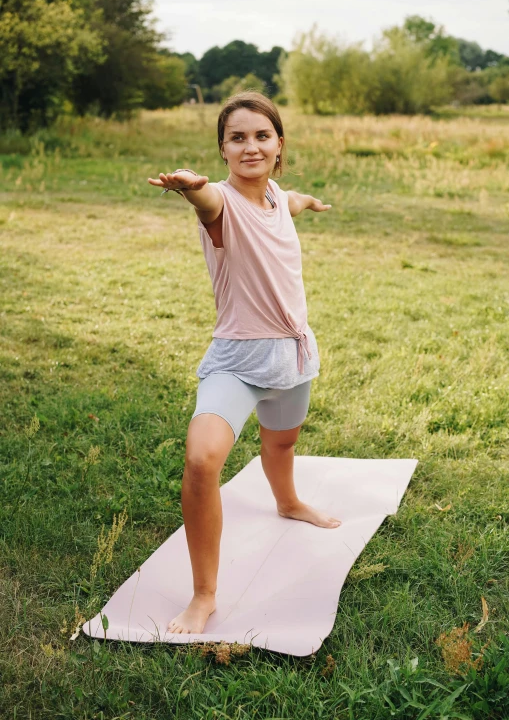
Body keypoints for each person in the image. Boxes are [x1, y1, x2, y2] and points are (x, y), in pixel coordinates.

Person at [148, 91, 341, 635]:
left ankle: (288, 501)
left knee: (281, 444)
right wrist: (191, 187)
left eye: (262, 135)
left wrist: (311, 202)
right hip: (237, 361)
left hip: (294, 353)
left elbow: (294, 199)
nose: (251, 145)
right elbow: (206, 198)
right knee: (203, 461)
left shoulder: (278, 196)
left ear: (279, 146)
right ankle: (204, 594)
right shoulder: (221, 205)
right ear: (224, 150)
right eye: (238, 137)